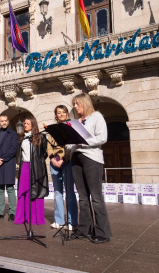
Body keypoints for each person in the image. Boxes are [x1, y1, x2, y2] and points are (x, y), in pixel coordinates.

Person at [70, 93, 112, 244]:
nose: (75, 107)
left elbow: (102, 137)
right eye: (74, 104)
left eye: (77, 104)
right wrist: (68, 140)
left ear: (84, 103)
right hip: (76, 158)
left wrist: (83, 142)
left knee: (96, 196)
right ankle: (84, 229)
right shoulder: (76, 122)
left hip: (91, 158)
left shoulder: (97, 117)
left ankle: (103, 232)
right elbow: (71, 144)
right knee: (82, 196)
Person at [47, 105, 78, 230]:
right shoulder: (52, 129)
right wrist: (52, 159)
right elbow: (49, 146)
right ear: (56, 115)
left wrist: (63, 159)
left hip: (67, 161)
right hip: (54, 162)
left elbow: (71, 145)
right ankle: (58, 220)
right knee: (57, 192)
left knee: (69, 192)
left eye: (63, 112)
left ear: (67, 114)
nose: (61, 114)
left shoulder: (71, 127)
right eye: (59, 113)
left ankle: (72, 221)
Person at [15, 116, 48, 225]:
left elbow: (44, 152)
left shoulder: (40, 137)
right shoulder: (21, 137)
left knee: (35, 191)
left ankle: (35, 218)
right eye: (24, 123)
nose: (25, 125)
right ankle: (22, 217)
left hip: (36, 167)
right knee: (23, 191)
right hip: (24, 166)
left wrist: (38, 162)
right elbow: (20, 153)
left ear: (33, 125)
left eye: (27, 123)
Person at [0, 114, 18, 221]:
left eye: (6, 120)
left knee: (10, 188)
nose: (4, 122)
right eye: (2, 121)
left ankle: (12, 212)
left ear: (8, 122)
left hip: (8, 163)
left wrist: (2, 159)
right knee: (0, 189)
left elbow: (13, 149)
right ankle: (0, 212)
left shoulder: (13, 134)